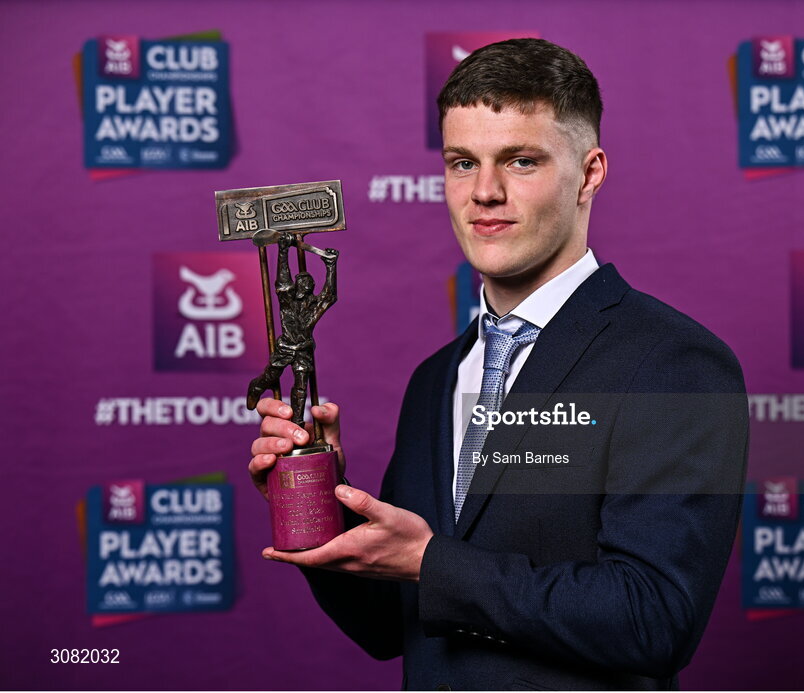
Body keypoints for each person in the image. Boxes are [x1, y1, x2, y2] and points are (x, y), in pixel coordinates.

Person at [248, 38, 748, 690]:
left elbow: (655, 618)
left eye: (520, 160)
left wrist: (432, 560)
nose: (484, 191)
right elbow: (387, 627)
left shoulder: (673, 360)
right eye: (463, 162)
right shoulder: (435, 379)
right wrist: (320, 504)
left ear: (590, 173)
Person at [246, 231, 338, 429]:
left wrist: (331, 266)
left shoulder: (314, 306)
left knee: (301, 386)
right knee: (271, 376)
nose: (304, 285)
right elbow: (282, 280)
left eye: (308, 283)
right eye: (301, 282)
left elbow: (330, 295)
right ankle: (257, 386)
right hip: (285, 347)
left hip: (303, 349)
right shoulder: (287, 300)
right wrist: (283, 249)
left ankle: (297, 422)